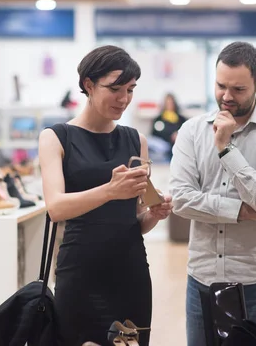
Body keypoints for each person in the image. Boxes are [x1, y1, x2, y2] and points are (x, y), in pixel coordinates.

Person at [38, 45, 173, 346]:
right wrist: (110, 191)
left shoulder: (135, 140)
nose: (124, 99)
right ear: (88, 84)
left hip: (131, 272)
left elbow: (133, 221)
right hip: (80, 274)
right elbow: (56, 208)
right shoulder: (56, 138)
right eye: (115, 89)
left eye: (130, 89)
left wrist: (153, 213)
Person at [169, 41, 256, 346]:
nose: (226, 97)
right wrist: (244, 212)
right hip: (203, 279)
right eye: (220, 86)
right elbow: (180, 198)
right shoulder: (192, 130)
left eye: (238, 89)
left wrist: (226, 147)